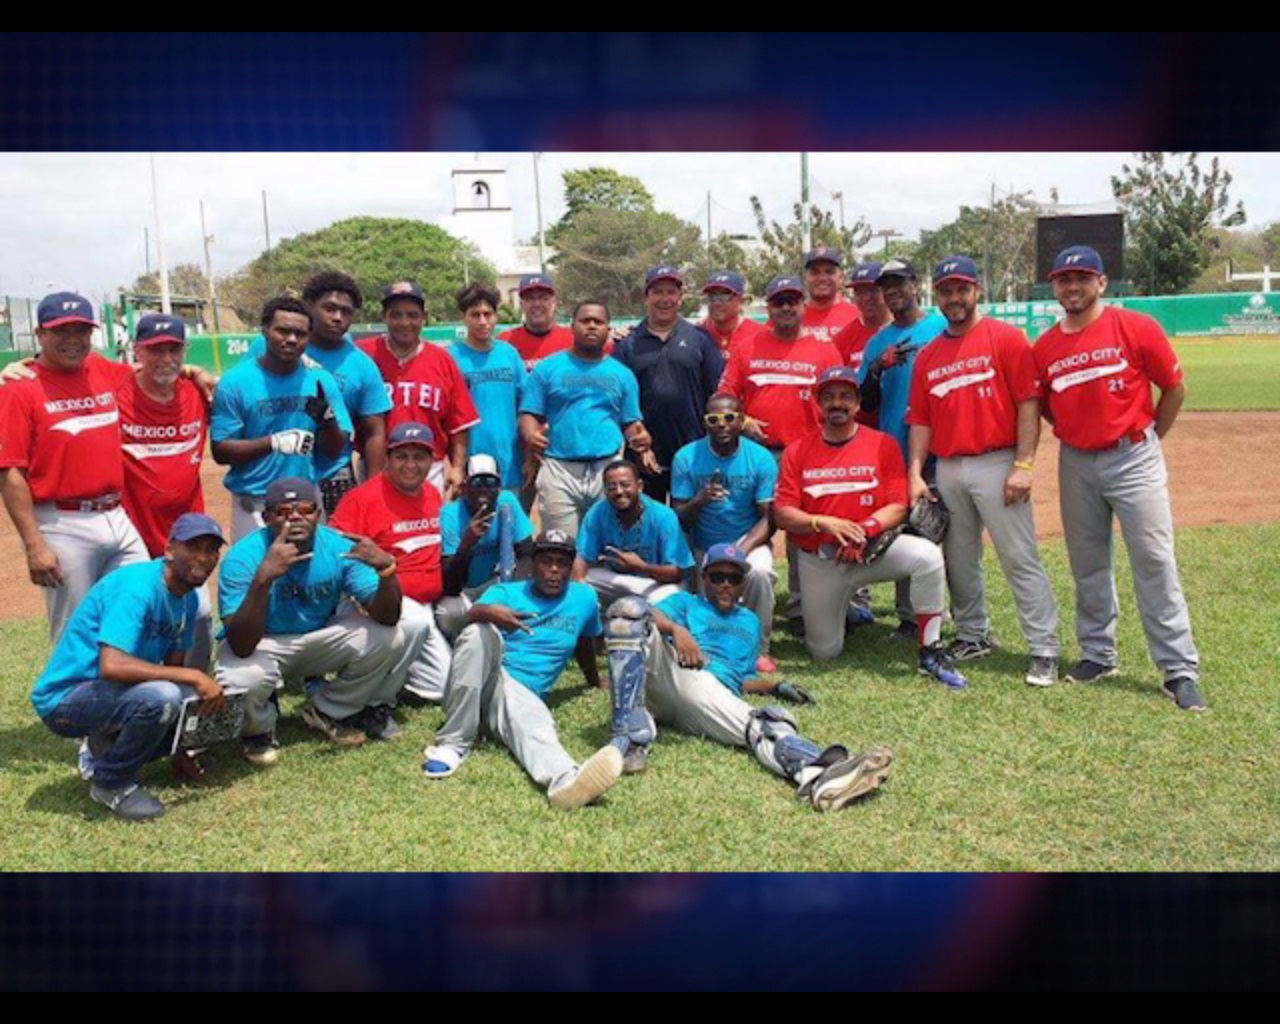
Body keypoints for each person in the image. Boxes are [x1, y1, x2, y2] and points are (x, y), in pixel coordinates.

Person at [1033, 245, 1204, 711]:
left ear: (1101, 283)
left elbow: (1174, 388)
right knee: (1087, 562)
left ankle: (1178, 668)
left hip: (1133, 455)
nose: (1072, 286)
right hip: (1076, 461)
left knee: (1154, 559)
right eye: (1064, 279)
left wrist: (1149, 438)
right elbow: (1048, 406)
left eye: (1082, 278)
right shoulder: (1046, 346)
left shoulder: (1134, 326)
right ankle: (1098, 654)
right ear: (1055, 286)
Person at [601, 544, 894, 808]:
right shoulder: (686, 603)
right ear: (705, 580)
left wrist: (775, 685)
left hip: (706, 696)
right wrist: (677, 630)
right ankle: (627, 738)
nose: (725, 585)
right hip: (671, 675)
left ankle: (817, 774)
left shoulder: (750, 623)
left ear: (744, 584)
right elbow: (647, 612)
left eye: (734, 578)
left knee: (763, 724)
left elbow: (741, 678)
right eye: (717, 578)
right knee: (627, 612)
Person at [906, 257, 1060, 686]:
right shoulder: (930, 354)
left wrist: (1024, 465)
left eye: (962, 289)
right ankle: (974, 634)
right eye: (946, 290)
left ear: (977, 290)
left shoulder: (1006, 339)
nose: (954, 298)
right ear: (935, 295)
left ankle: (1044, 647)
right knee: (959, 558)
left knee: (1018, 556)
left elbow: (1029, 405)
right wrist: (915, 472)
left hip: (998, 461)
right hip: (949, 466)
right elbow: (921, 420)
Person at [774, 367, 969, 688]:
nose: (837, 403)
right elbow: (783, 513)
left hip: (872, 551)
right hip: (823, 560)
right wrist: (819, 521)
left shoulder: (882, 444)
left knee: (927, 556)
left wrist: (864, 529)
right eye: (829, 397)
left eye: (846, 396)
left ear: (857, 403)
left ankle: (931, 650)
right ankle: (845, 609)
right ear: (818, 404)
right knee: (824, 652)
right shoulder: (798, 450)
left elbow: (898, 504)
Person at [32, 513, 227, 820]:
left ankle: (108, 745)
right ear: (169, 549)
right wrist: (193, 674)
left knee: (187, 696)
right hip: (66, 700)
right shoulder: (138, 588)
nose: (204, 557)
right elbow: (112, 665)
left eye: (212, 549)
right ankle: (111, 783)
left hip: (111, 695)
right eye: (194, 546)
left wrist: (180, 751)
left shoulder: (187, 599)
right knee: (163, 696)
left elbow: (176, 675)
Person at [421, 530, 625, 811]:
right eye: (546, 561)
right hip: (480, 683)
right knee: (478, 633)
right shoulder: (506, 592)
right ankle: (453, 743)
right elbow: (469, 618)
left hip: (520, 696)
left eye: (562, 563)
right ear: (531, 565)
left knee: (528, 716)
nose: (554, 570)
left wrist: (593, 680)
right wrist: (491, 614)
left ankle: (566, 784)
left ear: (571, 567)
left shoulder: (585, 599)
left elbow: (584, 641)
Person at [215, 477, 409, 764]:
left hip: (318, 638)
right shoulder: (243, 558)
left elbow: (388, 616)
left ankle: (328, 709)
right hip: (264, 644)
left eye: (305, 509)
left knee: (390, 637)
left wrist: (387, 569)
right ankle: (259, 730)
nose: (295, 517)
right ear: (267, 517)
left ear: (319, 514)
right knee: (241, 677)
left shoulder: (338, 547)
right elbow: (241, 644)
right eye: (283, 511)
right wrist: (263, 580)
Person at [0, 291, 149, 644]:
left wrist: (193, 370)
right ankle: (68, 698)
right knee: (75, 631)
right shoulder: (19, 389)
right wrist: (34, 545)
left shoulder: (100, 368)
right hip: (62, 523)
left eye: (81, 330)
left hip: (116, 514)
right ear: (40, 335)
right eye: (60, 330)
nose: (73, 339)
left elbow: (152, 372)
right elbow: (10, 473)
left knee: (140, 602)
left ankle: (129, 694)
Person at [717, 274, 843, 630]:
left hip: (807, 454)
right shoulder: (749, 347)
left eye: (792, 300)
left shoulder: (823, 349)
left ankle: (806, 606)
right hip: (757, 454)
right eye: (778, 301)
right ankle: (738, 598)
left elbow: (839, 401)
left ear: (803, 305)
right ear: (768, 306)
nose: (786, 307)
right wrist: (743, 420)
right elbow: (723, 398)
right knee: (751, 523)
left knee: (806, 530)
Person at [116, 313, 216, 669]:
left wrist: (196, 372)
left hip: (187, 533)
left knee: (200, 613)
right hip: (132, 531)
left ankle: (194, 696)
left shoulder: (198, 393)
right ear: (137, 351)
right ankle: (138, 695)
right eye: (155, 350)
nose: (166, 358)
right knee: (134, 617)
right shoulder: (117, 392)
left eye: (174, 349)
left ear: (185, 351)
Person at [248, 272, 393, 515]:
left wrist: (373, 488)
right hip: (273, 470)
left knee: (333, 548)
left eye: (346, 312)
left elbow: (374, 430)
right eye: (330, 308)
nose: (338, 317)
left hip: (332, 473)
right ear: (309, 306)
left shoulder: (362, 364)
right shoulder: (267, 346)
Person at [330, 422, 454, 705]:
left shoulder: (432, 496)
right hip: (377, 604)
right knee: (416, 621)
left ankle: (394, 671)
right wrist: (360, 595)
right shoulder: (362, 499)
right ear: (388, 458)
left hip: (422, 608)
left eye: (420, 457)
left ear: (431, 460)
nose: (411, 465)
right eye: (402, 457)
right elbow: (338, 552)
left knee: (442, 688)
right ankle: (376, 701)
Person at [210, 297, 353, 541]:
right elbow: (221, 450)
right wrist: (274, 443)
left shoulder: (320, 380)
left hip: (306, 502)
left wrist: (327, 419)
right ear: (265, 330)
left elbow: (334, 450)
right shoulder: (236, 382)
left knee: (311, 575)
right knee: (255, 575)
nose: (292, 340)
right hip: (255, 503)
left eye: (300, 333)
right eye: (283, 331)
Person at [856, 259, 948, 637]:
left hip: (944, 447)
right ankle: (911, 616)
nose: (892, 291)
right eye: (886, 286)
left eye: (899, 283)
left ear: (916, 284)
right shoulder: (877, 342)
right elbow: (865, 400)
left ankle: (952, 615)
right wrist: (878, 367)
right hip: (897, 447)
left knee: (949, 534)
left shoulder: (941, 328)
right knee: (908, 531)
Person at [519, 300, 651, 538]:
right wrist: (530, 434)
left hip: (607, 468)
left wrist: (640, 438)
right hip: (560, 469)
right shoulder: (547, 369)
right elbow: (529, 412)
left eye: (598, 322)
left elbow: (631, 422)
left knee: (606, 545)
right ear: (572, 326)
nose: (591, 326)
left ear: (608, 330)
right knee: (561, 546)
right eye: (585, 321)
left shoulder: (623, 374)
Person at [671, 395, 780, 671]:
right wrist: (700, 500)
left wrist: (739, 552)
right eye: (714, 420)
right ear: (705, 423)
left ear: (742, 422)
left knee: (760, 573)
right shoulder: (686, 457)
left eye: (730, 418)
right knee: (691, 589)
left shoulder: (761, 458)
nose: (722, 425)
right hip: (701, 543)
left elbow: (770, 518)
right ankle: (706, 644)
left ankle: (757, 648)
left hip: (746, 539)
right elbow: (679, 518)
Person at [612, 265, 725, 503]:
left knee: (690, 522)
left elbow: (716, 395)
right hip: (643, 454)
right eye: (658, 292)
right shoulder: (627, 344)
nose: (665, 299)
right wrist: (639, 445)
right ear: (646, 297)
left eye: (671, 292)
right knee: (647, 525)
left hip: (692, 452)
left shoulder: (700, 339)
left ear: (680, 299)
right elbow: (618, 402)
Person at [358, 280, 480, 499]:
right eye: (396, 315)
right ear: (385, 317)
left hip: (429, 468)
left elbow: (459, 423)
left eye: (413, 315)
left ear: (424, 318)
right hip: (377, 466)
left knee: (430, 532)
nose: (405, 322)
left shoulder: (443, 360)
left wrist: (458, 467)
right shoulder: (363, 354)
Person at [437, 454, 535, 638]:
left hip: (493, 583)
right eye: (476, 483)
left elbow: (526, 553)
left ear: (499, 487)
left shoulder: (507, 501)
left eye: (490, 483)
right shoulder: (450, 515)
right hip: (463, 590)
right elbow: (450, 585)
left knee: (526, 598)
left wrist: (512, 593)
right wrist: (468, 542)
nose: (483, 490)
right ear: (464, 487)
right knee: (448, 614)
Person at [573, 460, 694, 608]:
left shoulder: (663, 516)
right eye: (612, 487)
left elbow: (677, 573)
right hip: (616, 581)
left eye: (625, 485)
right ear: (605, 491)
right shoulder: (598, 512)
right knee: (580, 583)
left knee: (673, 596)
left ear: (640, 486)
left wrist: (641, 567)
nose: (619, 492)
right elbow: (582, 557)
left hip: (656, 584)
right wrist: (578, 590)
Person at [448, 282, 527, 494]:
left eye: (488, 314)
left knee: (509, 524)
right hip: (469, 462)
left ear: (496, 316)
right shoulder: (451, 357)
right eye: (475, 315)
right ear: (464, 317)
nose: (482, 321)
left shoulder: (509, 354)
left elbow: (526, 404)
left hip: (509, 462)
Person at [832, 260, 892, 387]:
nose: (866, 298)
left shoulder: (903, 329)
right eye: (859, 292)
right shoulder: (843, 338)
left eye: (873, 290)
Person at [499, 272, 576, 370]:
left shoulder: (573, 340)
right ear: (521, 304)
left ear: (554, 303)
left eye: (543, 298)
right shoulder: (505, 341)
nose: (537, 304)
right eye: (530, 298)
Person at [800, 245, 860, 343]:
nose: (822, 278)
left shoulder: (857, 317)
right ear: (805, 277)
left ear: (841, 277)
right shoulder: (789, 316)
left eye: (829, 272)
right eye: (815, 272)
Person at [699, 270, 765, 356]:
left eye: (724, 297)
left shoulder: (759, 334)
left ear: (741, 301)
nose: (717, 303)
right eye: (712, 297)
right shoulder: (699, 334)